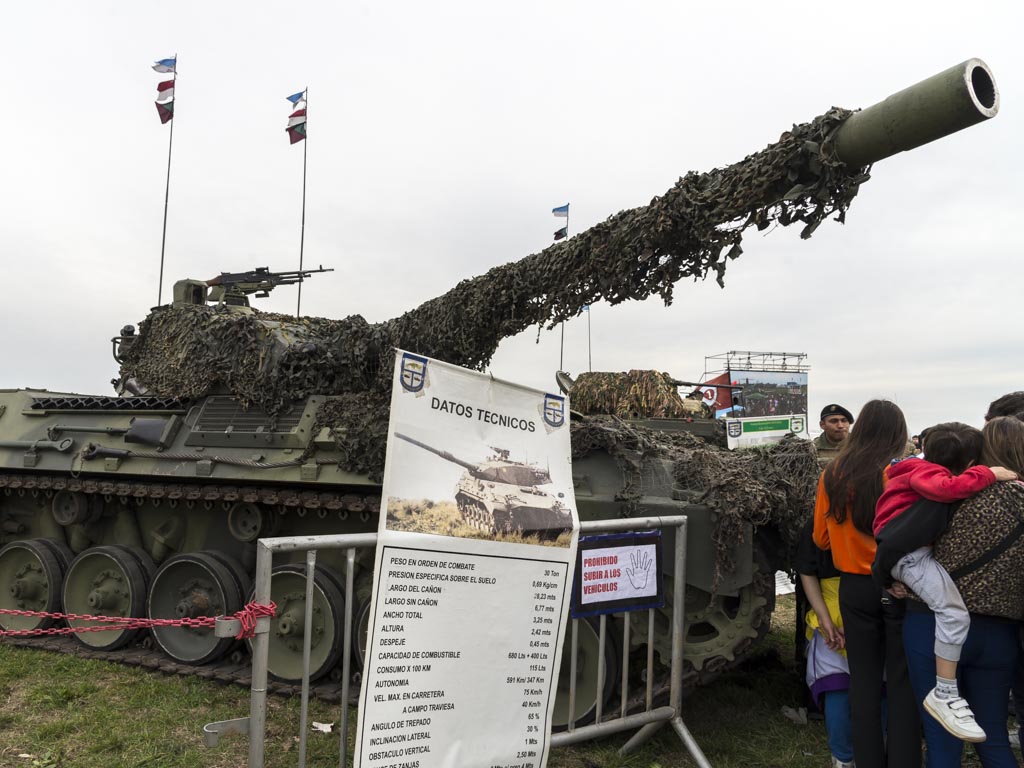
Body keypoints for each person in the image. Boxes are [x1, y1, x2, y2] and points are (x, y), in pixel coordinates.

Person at [872, 423, 1017, 742]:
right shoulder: (926, 476)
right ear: (968, 464)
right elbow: (947, 489)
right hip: (911, 557)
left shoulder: (914, 471)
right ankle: (945, 692)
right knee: (953, 613)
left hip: (907, 555)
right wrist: (990, 474)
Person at [813, 399, 921, 768]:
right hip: (899, 586)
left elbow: (821, 540)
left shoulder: (832, 473)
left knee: (863, 680)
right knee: (903, 679)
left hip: (853, 589)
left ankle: (866, 760)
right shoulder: (901, 475)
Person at [796, 520, 854, 768]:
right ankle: (875, 749)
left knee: (837, 687)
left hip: (829, 609)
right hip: (870, 610)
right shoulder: (879, 511)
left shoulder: (819, 522)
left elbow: (806, 570)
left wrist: (824, 618)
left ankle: (842, 758)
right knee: (879, 686)